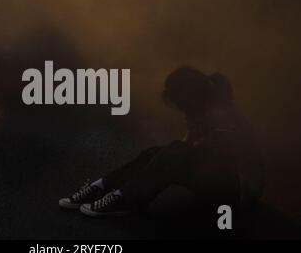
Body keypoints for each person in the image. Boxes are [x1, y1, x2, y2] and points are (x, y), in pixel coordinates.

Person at [59, 67, 264, 217]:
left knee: (173, 152)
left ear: (193, 95)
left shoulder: (222, 116)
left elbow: (216, 158)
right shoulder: (202, 106)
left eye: (182, 102)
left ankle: (127, 199)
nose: (181, 109)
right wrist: (159, 158)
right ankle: (102, 186)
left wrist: (171, 158)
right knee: (158, 152)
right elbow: (191, 148)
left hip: (237, 191)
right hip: (217, 172)